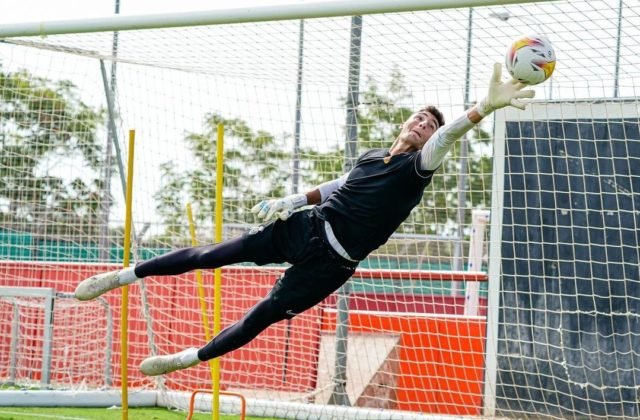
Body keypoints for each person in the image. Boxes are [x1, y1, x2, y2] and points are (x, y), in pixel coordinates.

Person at [74, 63, 534, 376]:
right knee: (214, 253)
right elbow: (340, 185)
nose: (422, 125)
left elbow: (450, 135)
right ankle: (123, 275)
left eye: (429, 125)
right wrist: (293, 198)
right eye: (418, 118)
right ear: (403, 123)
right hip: (307, 226)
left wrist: (481, 110)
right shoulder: (372, 157)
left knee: (263, 316)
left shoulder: (418, 168)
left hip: (331, 264)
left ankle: (188, 358)